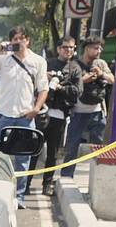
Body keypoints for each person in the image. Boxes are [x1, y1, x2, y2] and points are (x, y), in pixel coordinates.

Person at [0, 27, 48, 206]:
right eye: (15, 39)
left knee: (23, 159)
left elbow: (43, 87)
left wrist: (36, 109)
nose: (18, 42)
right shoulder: (3, 60)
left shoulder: (37, 61)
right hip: (3, 116)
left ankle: (19, 197)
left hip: (25, 116)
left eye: (21, 39)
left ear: (27, 40)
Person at [61, 36, 113, 180]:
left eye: (100, 48)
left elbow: (113, 79)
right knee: (72, 147)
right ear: (87, 49)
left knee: (99, 148)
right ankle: (66, 176)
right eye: (96, 48)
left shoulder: (101, 63)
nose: (99, 51)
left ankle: (99, 177)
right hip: (78, 113)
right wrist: (86, 79)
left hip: (97, 113)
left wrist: (101, 74)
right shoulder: (74, 64)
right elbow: (68, 83)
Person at [35, 37, 82, 195]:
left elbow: (77, 91)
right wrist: (46, 78)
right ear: (58, 49)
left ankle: (47, 184)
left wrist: (61, 87)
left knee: (52, 154)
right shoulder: (46, 64)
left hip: (60, 115)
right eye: (65, 47)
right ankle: (24, 184)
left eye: (71, 48)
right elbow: (35, 84)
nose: (68, 50)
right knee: (34, 149)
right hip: (41, 112)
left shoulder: (75, 68)